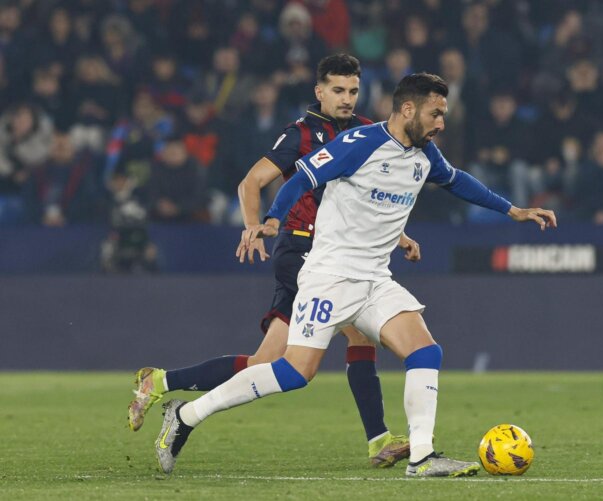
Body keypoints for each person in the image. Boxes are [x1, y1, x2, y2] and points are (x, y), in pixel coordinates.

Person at [153, 73, 556, 477]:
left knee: (425, 351)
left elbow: (458, 181)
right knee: (294, 373)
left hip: (375, 279)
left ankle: (422, 456)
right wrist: (273, 219)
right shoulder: (359, 143)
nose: (441, 124)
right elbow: (302, 177)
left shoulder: (425, 155)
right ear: (408, 109)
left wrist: (513, 210)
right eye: (436, 114)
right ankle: (186, 415)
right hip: (329, 276)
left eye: (443, 116)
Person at [128, 54, 416, 469]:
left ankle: (161, 382)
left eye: (353, 90)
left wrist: (399, 234)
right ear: (319, 92)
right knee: (357, 335)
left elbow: (366, 200)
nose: (347, 98)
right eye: (338, 90)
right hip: (302, 251)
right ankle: (379, 440)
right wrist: (253, 224)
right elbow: (252, 182)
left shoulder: (368, 132)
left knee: (267, 363)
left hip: (338, 253)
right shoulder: (300, 135)